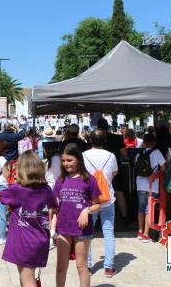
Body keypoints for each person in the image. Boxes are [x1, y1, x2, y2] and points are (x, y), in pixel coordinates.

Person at [0, 151, 57, 287]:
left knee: (27, 278)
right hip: (40, 240)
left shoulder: (17, 189)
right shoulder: (46, 189)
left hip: (23, 241)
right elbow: (54, 208)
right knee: (25, 274)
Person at [51, 143, 102, 287]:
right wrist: (52, 229)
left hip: (82, 230)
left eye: (69, 160)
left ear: (78, 159)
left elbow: (98, 204)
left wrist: (87, 210)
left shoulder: (89, 179)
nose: (66, 164)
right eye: (63, 160)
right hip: (63, 229)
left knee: (81, 266)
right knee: (61, 267)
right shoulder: (60, 180)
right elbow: (55, 207)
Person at [83, 130, 118, 277]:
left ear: (90, 140)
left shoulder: (83, 155)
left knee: (87, 234)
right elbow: (114, 173)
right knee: (108, 232)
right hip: (107, 198)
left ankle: (88, 266)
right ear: (105, 140)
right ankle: (109, 267)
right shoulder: (111, 155)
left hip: (90, 199)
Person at [136, 133, 166, 243]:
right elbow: (163, 167)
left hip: (140, 184)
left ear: (144, 142)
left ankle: (139, 231)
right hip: (152, 184)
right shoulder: (157, 152)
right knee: (149, 209)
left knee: (141, 208)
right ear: (154, 142)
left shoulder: (139, 153)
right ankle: (145, 234)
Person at [98, 118, 128, 220]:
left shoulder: (96, 139)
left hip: (99, 170)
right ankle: (124, 217)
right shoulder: (117, 138)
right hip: (115, 167)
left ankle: (98, 218)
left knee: (99, 192)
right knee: (119, 192)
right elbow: (124, 153)